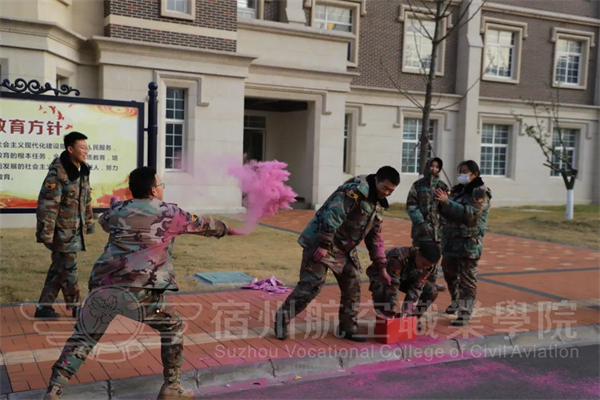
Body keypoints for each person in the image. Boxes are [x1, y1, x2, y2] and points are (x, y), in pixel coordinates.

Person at [43, 167, 238, 400]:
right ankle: (172, 386)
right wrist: (228, 229)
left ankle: (55, 389)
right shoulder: (170, 212)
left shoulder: (117, 210)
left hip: (103, 285)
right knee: (172, 327)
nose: (162, 189)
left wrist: (119, 206)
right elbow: (206, 225)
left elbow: (105, 222)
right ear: (154, 190)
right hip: (140, 290)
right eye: (161, 185)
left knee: (84, 336)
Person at [274, 166, 400, 342]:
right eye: (385, 188)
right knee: (313, 283)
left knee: (353, 282)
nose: (386, 193)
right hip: (321, 241)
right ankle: (283, 317)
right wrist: (324, 244)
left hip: (343, 248)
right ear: (376, 180)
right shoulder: (354, 191)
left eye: (391, 191)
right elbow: (332, 214)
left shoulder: (378, 205)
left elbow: (375, 238)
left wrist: (382, 266)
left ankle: (347, 327)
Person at [35, 131, 94, 319]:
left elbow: (86, 199)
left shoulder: (83, 170)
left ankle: (43, 308)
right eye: (82, 147)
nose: (86, 151)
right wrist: (46, 234)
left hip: (74, 232)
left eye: (86, 147)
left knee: (58, 270)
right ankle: (76, 307)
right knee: (69, 270)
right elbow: (48, 206)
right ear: (70, 149)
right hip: (61, 233)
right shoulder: (58, 174)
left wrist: (89, 223)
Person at [434, 160, 491, 326]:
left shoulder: (480, 191)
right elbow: (446, 212)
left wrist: (447, 202)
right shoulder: (457, 190)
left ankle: (465, 312)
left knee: (467, 279)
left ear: (475, 174)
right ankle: (456, 301)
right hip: (451, 240)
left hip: (469, 242)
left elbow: (471, 214)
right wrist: (440, 202)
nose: (461, 175)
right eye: (460, 172)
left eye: (465, 172)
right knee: (449, 273)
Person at [367, 243, 441, 325]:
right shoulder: (398, 257)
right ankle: (386, 319)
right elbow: (393, 286)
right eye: (423, 264)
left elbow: (417, 287)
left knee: (431, 290)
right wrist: (392, 310)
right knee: (382, 290)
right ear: (418, 253)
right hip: (383, 275)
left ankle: (412, 320)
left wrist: (407, 312)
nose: (425, 267)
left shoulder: (430, 266)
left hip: (406, 277)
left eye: (428, 266)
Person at [406, 157, 449, 292]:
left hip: (437, 231)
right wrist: (421, 223)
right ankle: (415, 282)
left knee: (435, 256)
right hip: (421, 231)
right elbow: (411, 205)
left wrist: (443, 225)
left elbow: (448, 207)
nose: (434, 169)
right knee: (419, 256)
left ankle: (432, 282)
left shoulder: (442, 186)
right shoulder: (418, 185)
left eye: (437, 167)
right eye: (432, 166)